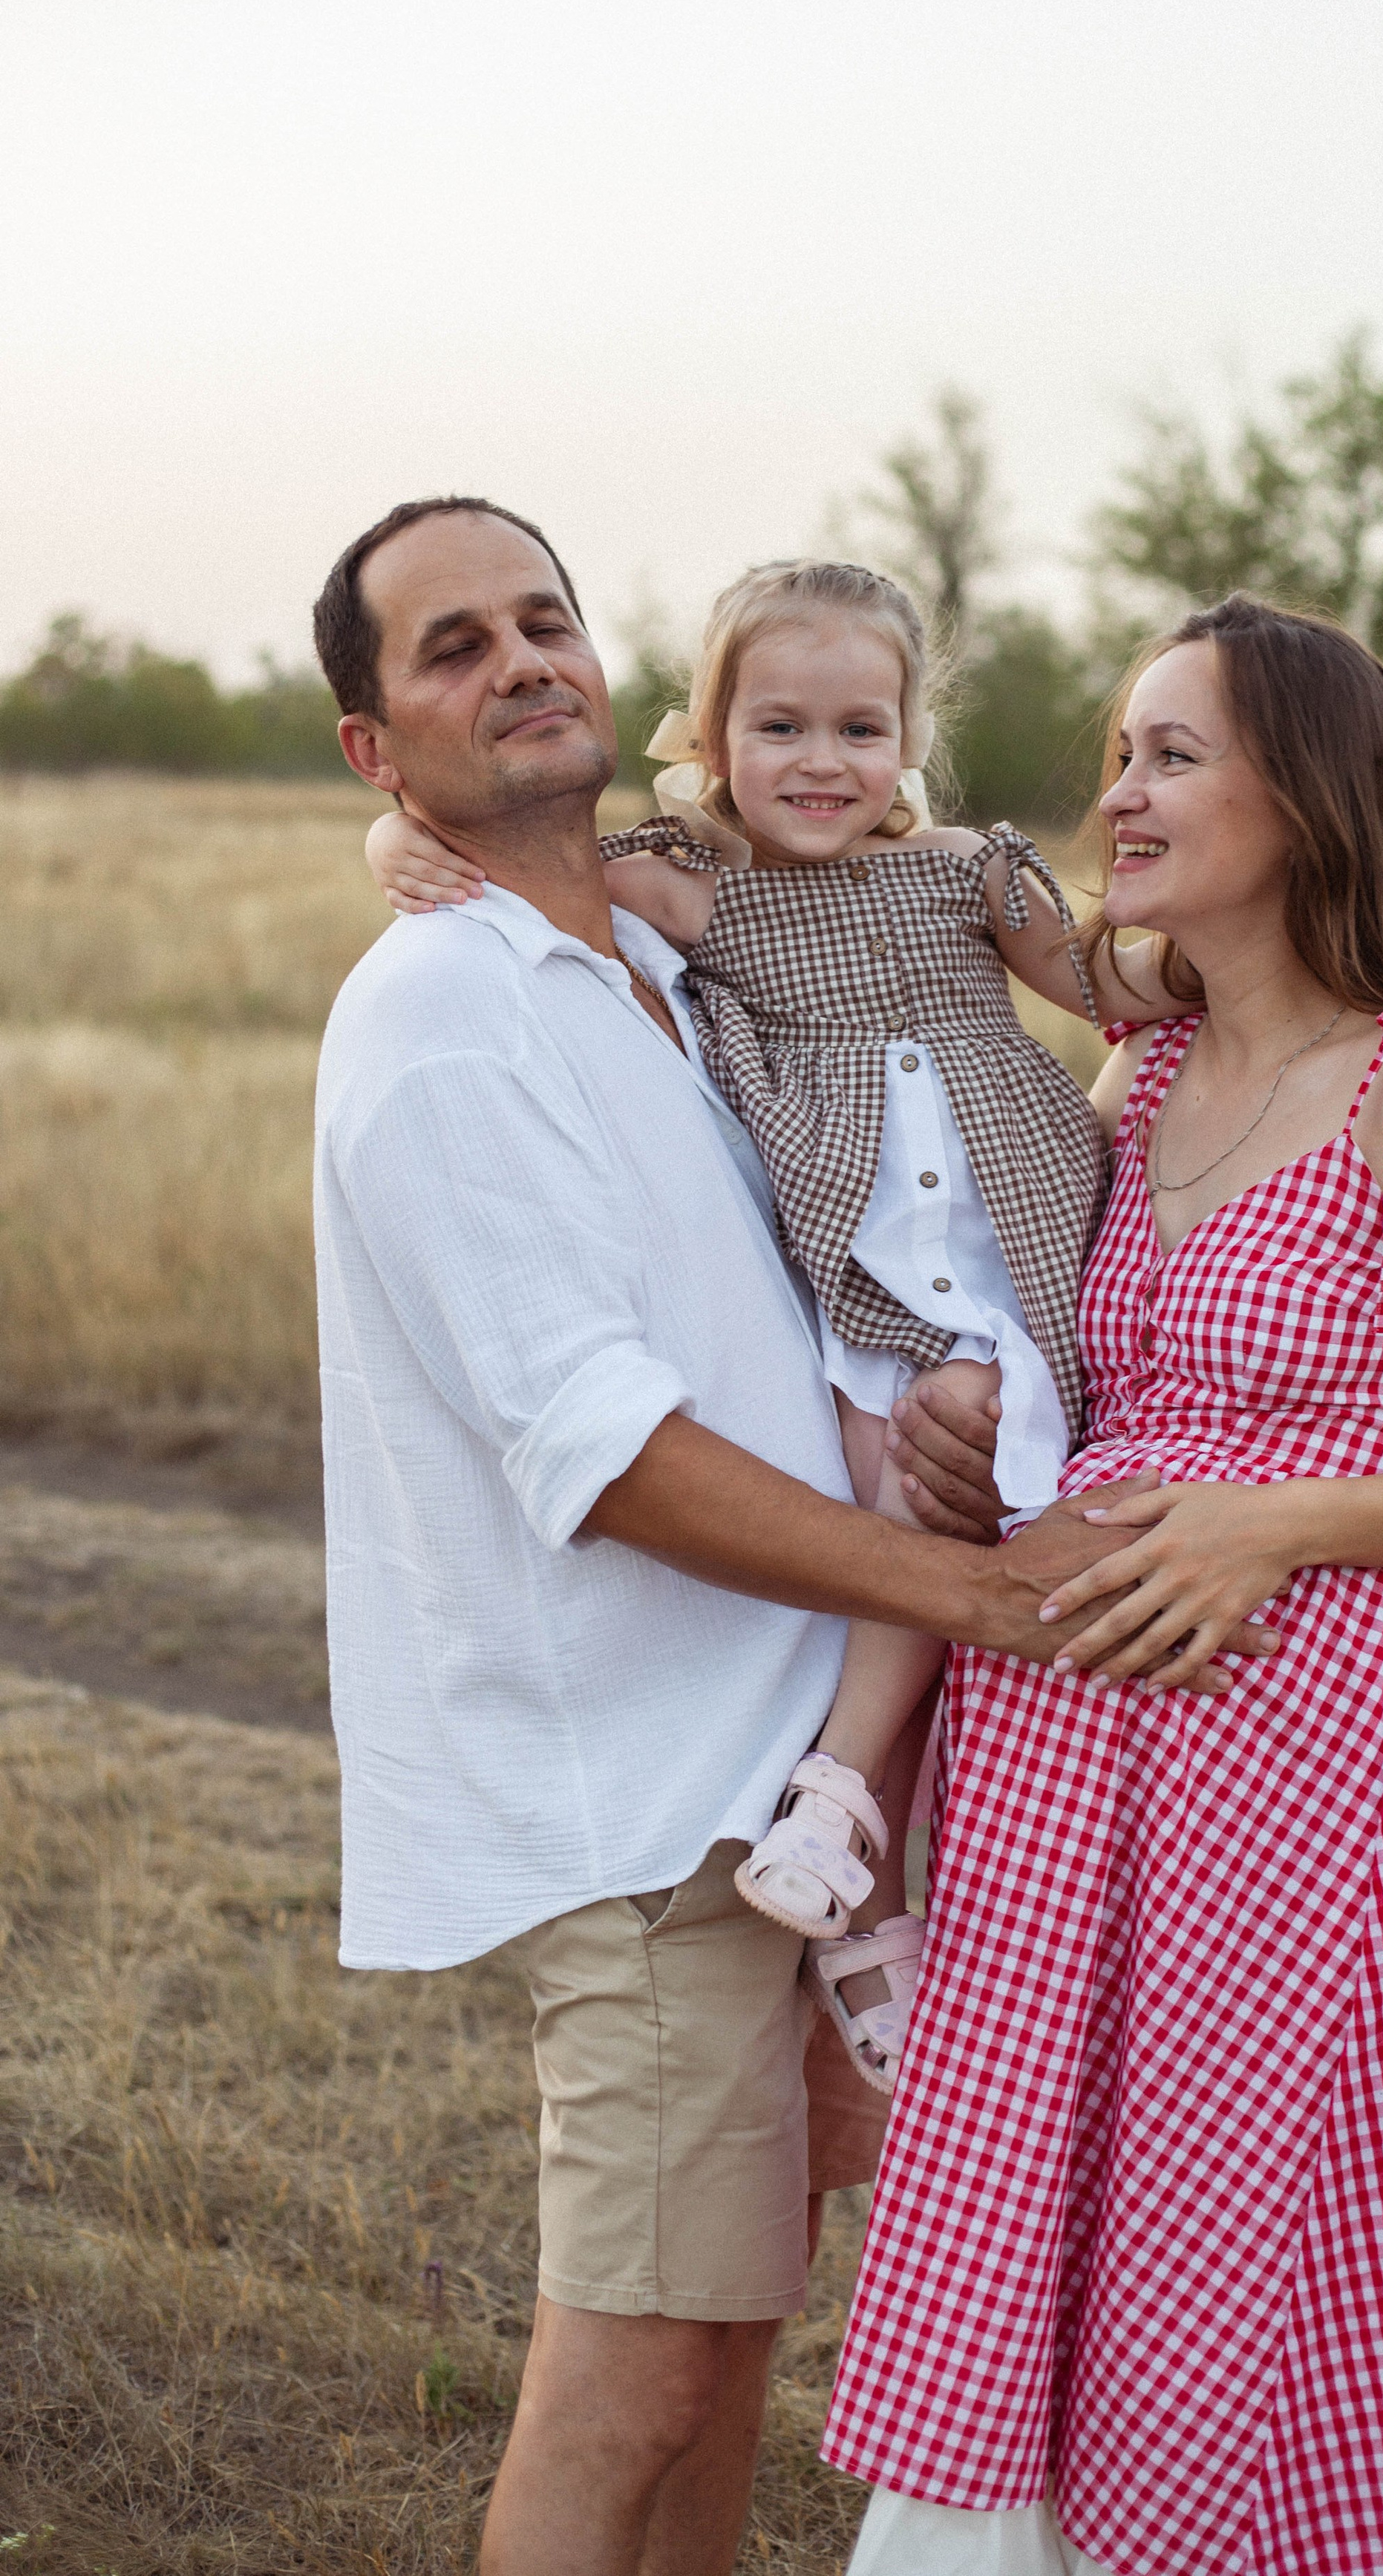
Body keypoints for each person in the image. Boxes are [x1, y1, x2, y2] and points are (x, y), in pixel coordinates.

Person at [310, 498, 1234, 2576]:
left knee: (722, 2355)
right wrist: (980, 1591)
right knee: (631, 2376)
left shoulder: (639, 953)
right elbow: (609, 1453)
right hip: (648, 1816)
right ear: (380, 747)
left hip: (759, 1776)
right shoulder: (450, 1015)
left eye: (543, 618)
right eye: (451, 649)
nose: (518, 658)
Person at [825, 596, 1383, 2576]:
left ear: (1311, 794)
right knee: (1084, 2204)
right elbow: (1109, 1392)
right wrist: (977, 1436)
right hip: (1075, 1788)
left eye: (1173, 754)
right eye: (1122, 749)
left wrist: (1273, 1526)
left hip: (1332, 1783)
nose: (1121, 790)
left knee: (1313, 2230)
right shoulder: (1136, 1082)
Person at [367, 558, 1182, 2093]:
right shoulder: (692, 878)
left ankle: (981, 1884)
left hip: (1017, 1251)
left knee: (1009, 1548)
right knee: (898, 1516)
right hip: (869, 1280)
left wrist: (1218, 917)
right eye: (783, 728)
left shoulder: (966, 872)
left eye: (861, 730)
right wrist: (389, 834)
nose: (823, 765)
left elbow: (1108, 984)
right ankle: (839, 1837)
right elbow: (511, 853)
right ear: (711, 733)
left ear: (908, 738)